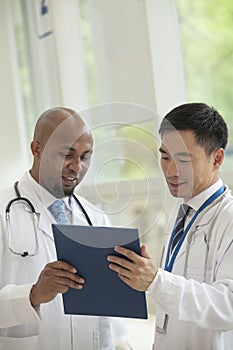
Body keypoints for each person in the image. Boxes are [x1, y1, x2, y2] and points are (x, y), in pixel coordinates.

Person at [107, 102, 233, 349]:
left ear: (217, 158)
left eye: (184, 160)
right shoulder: (183, 212)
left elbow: (228, 305)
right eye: (165, 157)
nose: (171, 171)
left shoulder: (228, 218)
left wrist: (156, 281)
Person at [0, 107, 114, 350]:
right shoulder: (2, 211)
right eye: (66, 155)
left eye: (85, 157)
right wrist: (32, 296)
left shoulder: (97, 219)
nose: (76, 167)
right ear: (36, 150)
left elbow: (104, 317)